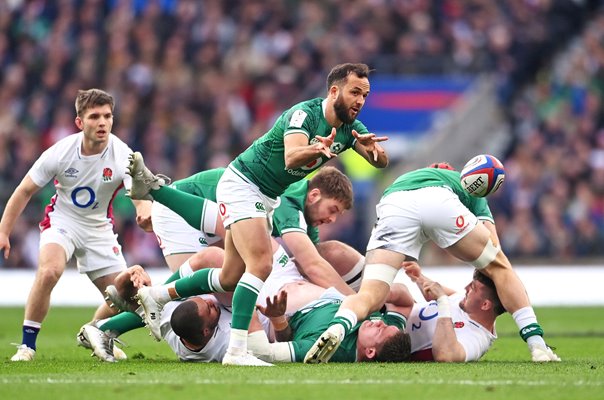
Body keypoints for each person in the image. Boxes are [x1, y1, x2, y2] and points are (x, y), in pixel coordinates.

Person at [128, 62, 389, 366]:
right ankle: (237, 351)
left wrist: (375, 152)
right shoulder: (304, 115)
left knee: (229, 277)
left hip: (265, 197)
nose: (360, 100)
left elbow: (379, 161)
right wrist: (317, 150)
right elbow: (292, 157)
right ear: (334, 91)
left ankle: (158, 295)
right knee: (261, 264)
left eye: (365, 95)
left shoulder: (350, 128)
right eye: (355, 92)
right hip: (243, 183)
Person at [304, 160, 561, 364]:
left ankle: (339, 325)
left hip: (395, 200)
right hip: (439, 203)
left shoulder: (424, 174)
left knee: (371, 294)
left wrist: (422, 280)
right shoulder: (474, 198)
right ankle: (536, 343)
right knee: (499, 267)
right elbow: (494, 249)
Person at [0, 89, 149, 362]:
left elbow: (138, 193)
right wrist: (3, 231)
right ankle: (27, 346)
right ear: (80, 122)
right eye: (94, 117)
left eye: (107, 116)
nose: (102, 122)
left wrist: (144, 213)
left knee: (124, 298)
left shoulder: (122, 154)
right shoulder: (61, 151)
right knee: (49, 272)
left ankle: (94, 333)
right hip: (63, 220)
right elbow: (24, 190)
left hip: (99, 228)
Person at [80, 238, 335, 363]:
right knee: (216, 259)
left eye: (207, 301)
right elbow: (271, 347)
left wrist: (132, 275)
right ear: (207, 329)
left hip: (266, 292)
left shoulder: (174, 320)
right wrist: (277, 320)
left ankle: (101, 328)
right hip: (274, 316)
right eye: (211, 307)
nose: (211, 301)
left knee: (209, 261)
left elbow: (129, 299)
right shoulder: (224, 343)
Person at [141, 165, 362, 294]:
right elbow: (313, 266)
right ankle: (117, 317)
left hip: (216, 220)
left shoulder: (306, 214)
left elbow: (307, 266)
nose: (332, 219)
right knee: (192, 298)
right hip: (178, 211)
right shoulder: (287, 199)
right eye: (332, 209)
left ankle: (116, 311)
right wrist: (355, 303)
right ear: (314, 196)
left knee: (220, 288)